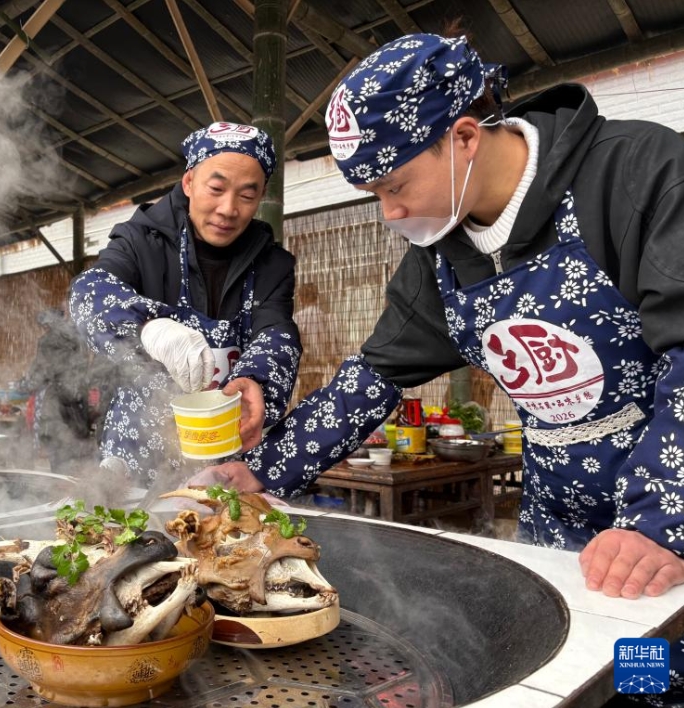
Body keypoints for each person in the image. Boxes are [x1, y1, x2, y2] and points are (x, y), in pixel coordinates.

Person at [205, 33, 684, 704]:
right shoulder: (441, 255)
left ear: (463, 137)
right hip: (557, 533)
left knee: (655, 680)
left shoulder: (638, 174)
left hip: (664, 521)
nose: (390, 212)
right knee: (582, 685)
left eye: (396, 185)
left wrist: (659, 518)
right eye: (374, 192)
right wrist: (264, 468)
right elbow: (375, 376)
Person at [69, 122, 302, 485]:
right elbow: (88, 292)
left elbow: (276, 334)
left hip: (225, 459)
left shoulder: (273, 265)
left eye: (246, 195)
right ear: (190, 182)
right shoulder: (141, 240)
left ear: (261, 196)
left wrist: (257, 378)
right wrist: (148, 327)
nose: (228, 209)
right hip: (137, 459)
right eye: (216, 188)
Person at [23, 308, 94, 474]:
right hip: (78, 407)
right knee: (80, 458)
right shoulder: (80, 339)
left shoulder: (47, 342)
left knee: (59, 460)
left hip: (55, 408)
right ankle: (86, 493)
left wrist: (27, 384)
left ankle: (64, 495)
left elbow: (38, 375)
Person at [292, 282, 342, 403]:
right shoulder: (326, 318)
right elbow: (333, 345)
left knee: (303, 400)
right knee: (317, 397)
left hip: (305, 367)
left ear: (301, 297)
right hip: (320, 366)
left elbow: (296, 343)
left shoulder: (298, 318)